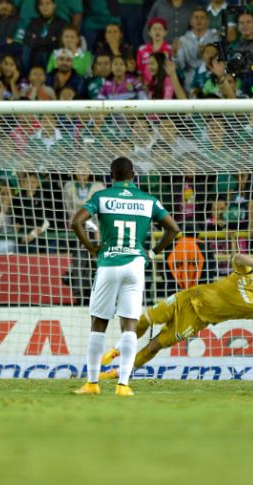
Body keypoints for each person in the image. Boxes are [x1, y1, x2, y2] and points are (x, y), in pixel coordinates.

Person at [98, 253, 253, 380]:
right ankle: (119, 349)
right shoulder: (247, 275)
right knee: (146, 319)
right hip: (187, 298)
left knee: (155, 345)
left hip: (196, 321)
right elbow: (238, 257)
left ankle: (122, 372)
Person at [72, 157, 180, 396]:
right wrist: (151, 253)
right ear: (133, 175)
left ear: (111, 175)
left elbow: (76, 222)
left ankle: (92, 383)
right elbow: (173, 229)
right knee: (129, 325)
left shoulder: (102, 197)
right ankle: (123, 385)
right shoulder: (148, 200)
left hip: (109, 262)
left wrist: (92, 248)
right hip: (135, 264)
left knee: (98, 323)